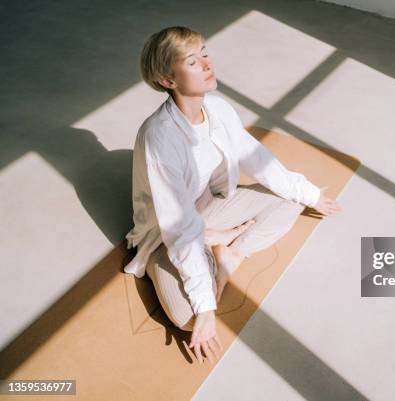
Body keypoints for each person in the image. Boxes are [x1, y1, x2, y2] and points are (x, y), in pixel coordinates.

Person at [123, 26, 342, 365]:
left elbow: (258, 159)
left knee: (290, 203)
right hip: (166, 237)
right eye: (192, 62)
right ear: (168, 80)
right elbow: (179, 229)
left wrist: (310, 194)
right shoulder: (160, 137)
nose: (207, 64)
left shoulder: (219, 109)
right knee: (192, 318)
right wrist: (206, 308)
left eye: (205, 53)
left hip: (209, 206)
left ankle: (229, 255)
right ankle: (211, 244)